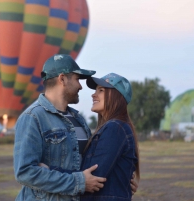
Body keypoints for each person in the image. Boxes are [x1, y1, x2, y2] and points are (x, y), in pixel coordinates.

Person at [13, 54, 138, 201]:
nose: (81, 86)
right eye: (78, 79)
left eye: (101, 90)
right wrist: (78, 182)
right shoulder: (33, 117)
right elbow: (25, 172)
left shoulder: (79, 120)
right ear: (62, 79)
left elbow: (90, 166)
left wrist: (119, 179)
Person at [81, 73, 140, 200]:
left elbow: (94, 175)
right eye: (96, 90)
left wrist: (51, 171)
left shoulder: (115, 128)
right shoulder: (114, 128)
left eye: (101, 90)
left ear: (116, 97)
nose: (93, 94)